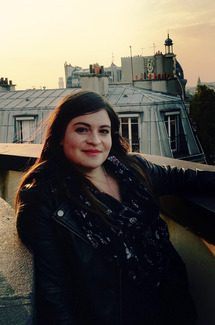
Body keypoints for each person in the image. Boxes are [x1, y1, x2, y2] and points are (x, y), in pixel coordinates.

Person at [16, 89, 213, 325]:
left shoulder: (132, 170)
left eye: (104, 131)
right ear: (60, 136)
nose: (95, 140)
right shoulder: (43, 200)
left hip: (171, 308)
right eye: (82, 129)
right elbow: (54, 295)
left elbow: (183, 178)